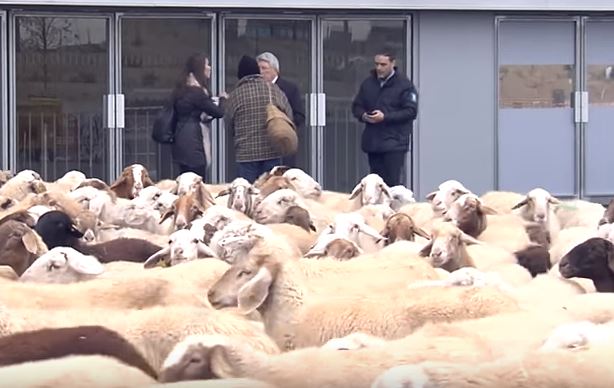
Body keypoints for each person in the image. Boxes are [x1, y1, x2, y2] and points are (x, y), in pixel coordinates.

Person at [351, 50, 418, 187]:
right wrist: (364, 115)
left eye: (383, 64)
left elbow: (410, 111)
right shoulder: (368, 84)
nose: (379, 68)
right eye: (377, 64)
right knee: (375, 185)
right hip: (373, 143)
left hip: (394, 143)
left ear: (393, 63)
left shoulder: (404, 85)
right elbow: (357, 106)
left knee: (392, 184)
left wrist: (385, 117)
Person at [225, 55, 293, 183]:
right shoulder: (272, 89)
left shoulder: (236, 95)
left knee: (248, 194)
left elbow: (228, 124)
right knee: (270, 192)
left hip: (246, 154)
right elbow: (288, 114)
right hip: (272, 150)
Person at [171, 53, 226, 180]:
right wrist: (223, 99)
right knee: (197, 180)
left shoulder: (182, 90)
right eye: (207, 64)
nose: (210, 68)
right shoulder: (197, 93)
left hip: (181, 138)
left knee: (185, 178)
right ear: (199, 68)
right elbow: (218, 112)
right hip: (194, 141)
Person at [256, 52, 305, 168]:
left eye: (264, 68)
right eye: (258, 68)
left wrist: (283, 124)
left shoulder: (289, 88)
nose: (260, 72)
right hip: (259, 147)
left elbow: (300, 116)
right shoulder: (255, 89)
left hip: (282, 145)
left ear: (275, 70)